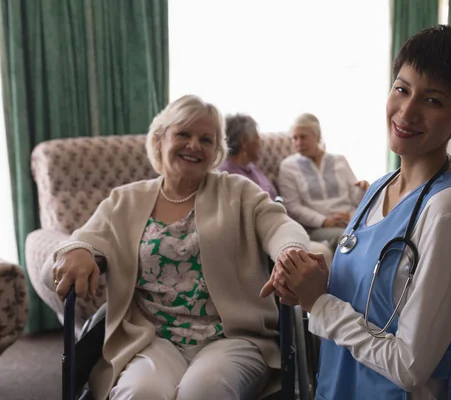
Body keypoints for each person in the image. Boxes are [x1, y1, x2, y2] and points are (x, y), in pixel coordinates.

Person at [262, 25, 451, 399]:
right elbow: (361, 300)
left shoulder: (448, 211)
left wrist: (319, 303)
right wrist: (310, 281)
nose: (407, 111)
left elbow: (409, 366)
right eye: (402, 89)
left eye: (432, 101)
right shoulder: (377, 189)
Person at [43, 95, 312, 400]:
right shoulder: (125, 201)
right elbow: (73, 250)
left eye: (206, 139)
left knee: (203, 391)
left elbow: (280, 225)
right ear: (159, 140)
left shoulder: (238, 192)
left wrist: (289, 250)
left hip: (233, 337)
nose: (194, 145)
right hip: (151, 338)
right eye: (183, 134)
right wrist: (76, 250)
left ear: (216, 152)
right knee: (141, 393)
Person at [218, 113, 334, 267]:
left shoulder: (253, 168)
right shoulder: (226, 177)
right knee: (322, 252)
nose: (260, 143)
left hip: (283, 226)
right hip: (263, 236)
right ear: (245, 142)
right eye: (257, 138)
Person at [277, 113, 369, 250]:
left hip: (349, 219)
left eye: (303, 137)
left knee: (378, 230)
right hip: (316, 227)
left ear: (318, 136)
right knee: (351, 237)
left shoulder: (339, 160)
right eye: (294, 138)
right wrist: (324, 221)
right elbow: (293, 207)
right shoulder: (288, 167)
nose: (298, 143)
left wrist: (362, 190)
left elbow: (355, 199)